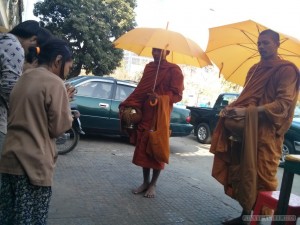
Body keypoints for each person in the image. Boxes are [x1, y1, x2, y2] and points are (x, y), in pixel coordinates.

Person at [209, 29, 300, 225]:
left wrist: (248, 112)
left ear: (277, 44)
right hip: (245, 132)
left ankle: (256, 220)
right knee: (243, 173)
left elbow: (282, 104)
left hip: (267, 134)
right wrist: (233, 109)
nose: (261, 46)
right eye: (259, 43)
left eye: (266, 43)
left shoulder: (287, 70)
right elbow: (246, 98)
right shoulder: (254, 70)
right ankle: (245, 216)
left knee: (261, 177)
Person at [0, 38, 73, 224]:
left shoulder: (23, 77)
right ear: (58, 61)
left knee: (8, 217)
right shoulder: (55, 83)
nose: (67, 72)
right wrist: (68, 109)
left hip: (9, 160)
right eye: (68, 67)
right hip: (34, 165)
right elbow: (58, 128)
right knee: (31, 220)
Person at [119, 48, 184, 198]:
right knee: (143, 147)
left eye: (159, 51)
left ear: (167, 52)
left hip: (160, 116)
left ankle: (153, 184)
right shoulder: (149, 68)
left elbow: (177, 95)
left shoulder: (174, 70)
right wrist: (131, 104)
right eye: (153, 50)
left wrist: (160, 97)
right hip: (146, 114)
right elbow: (141, 89)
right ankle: (145, 182)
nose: (155, 54)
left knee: (156, 149)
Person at [0, 20, 46, 157]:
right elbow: (10, 87)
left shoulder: (3, 40)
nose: (29, 51)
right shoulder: (14, 46)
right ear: (33, 39)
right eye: (35, 46)